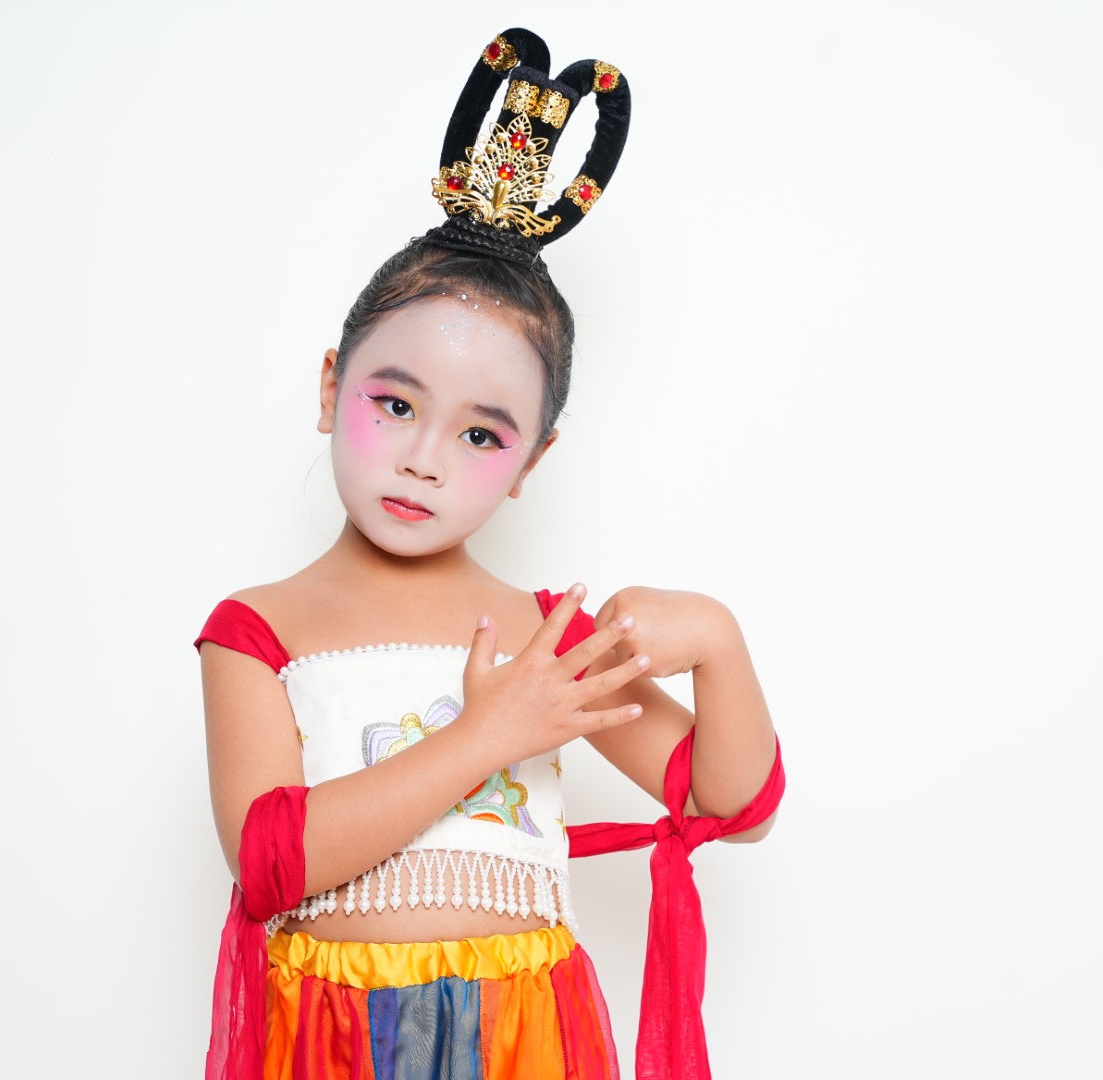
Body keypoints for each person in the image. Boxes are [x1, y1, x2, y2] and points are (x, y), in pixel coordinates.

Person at [193, 27, 784, 1080]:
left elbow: (727, 808)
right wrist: (492, 732)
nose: (424, 458)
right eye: (395, 404)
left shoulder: (547, 638)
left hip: (528, 1039)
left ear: (530, 461)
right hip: (336, 1041)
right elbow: (272, 862)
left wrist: (720, 644)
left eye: (480, 434)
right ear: (331, 387)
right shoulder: (259, 629)